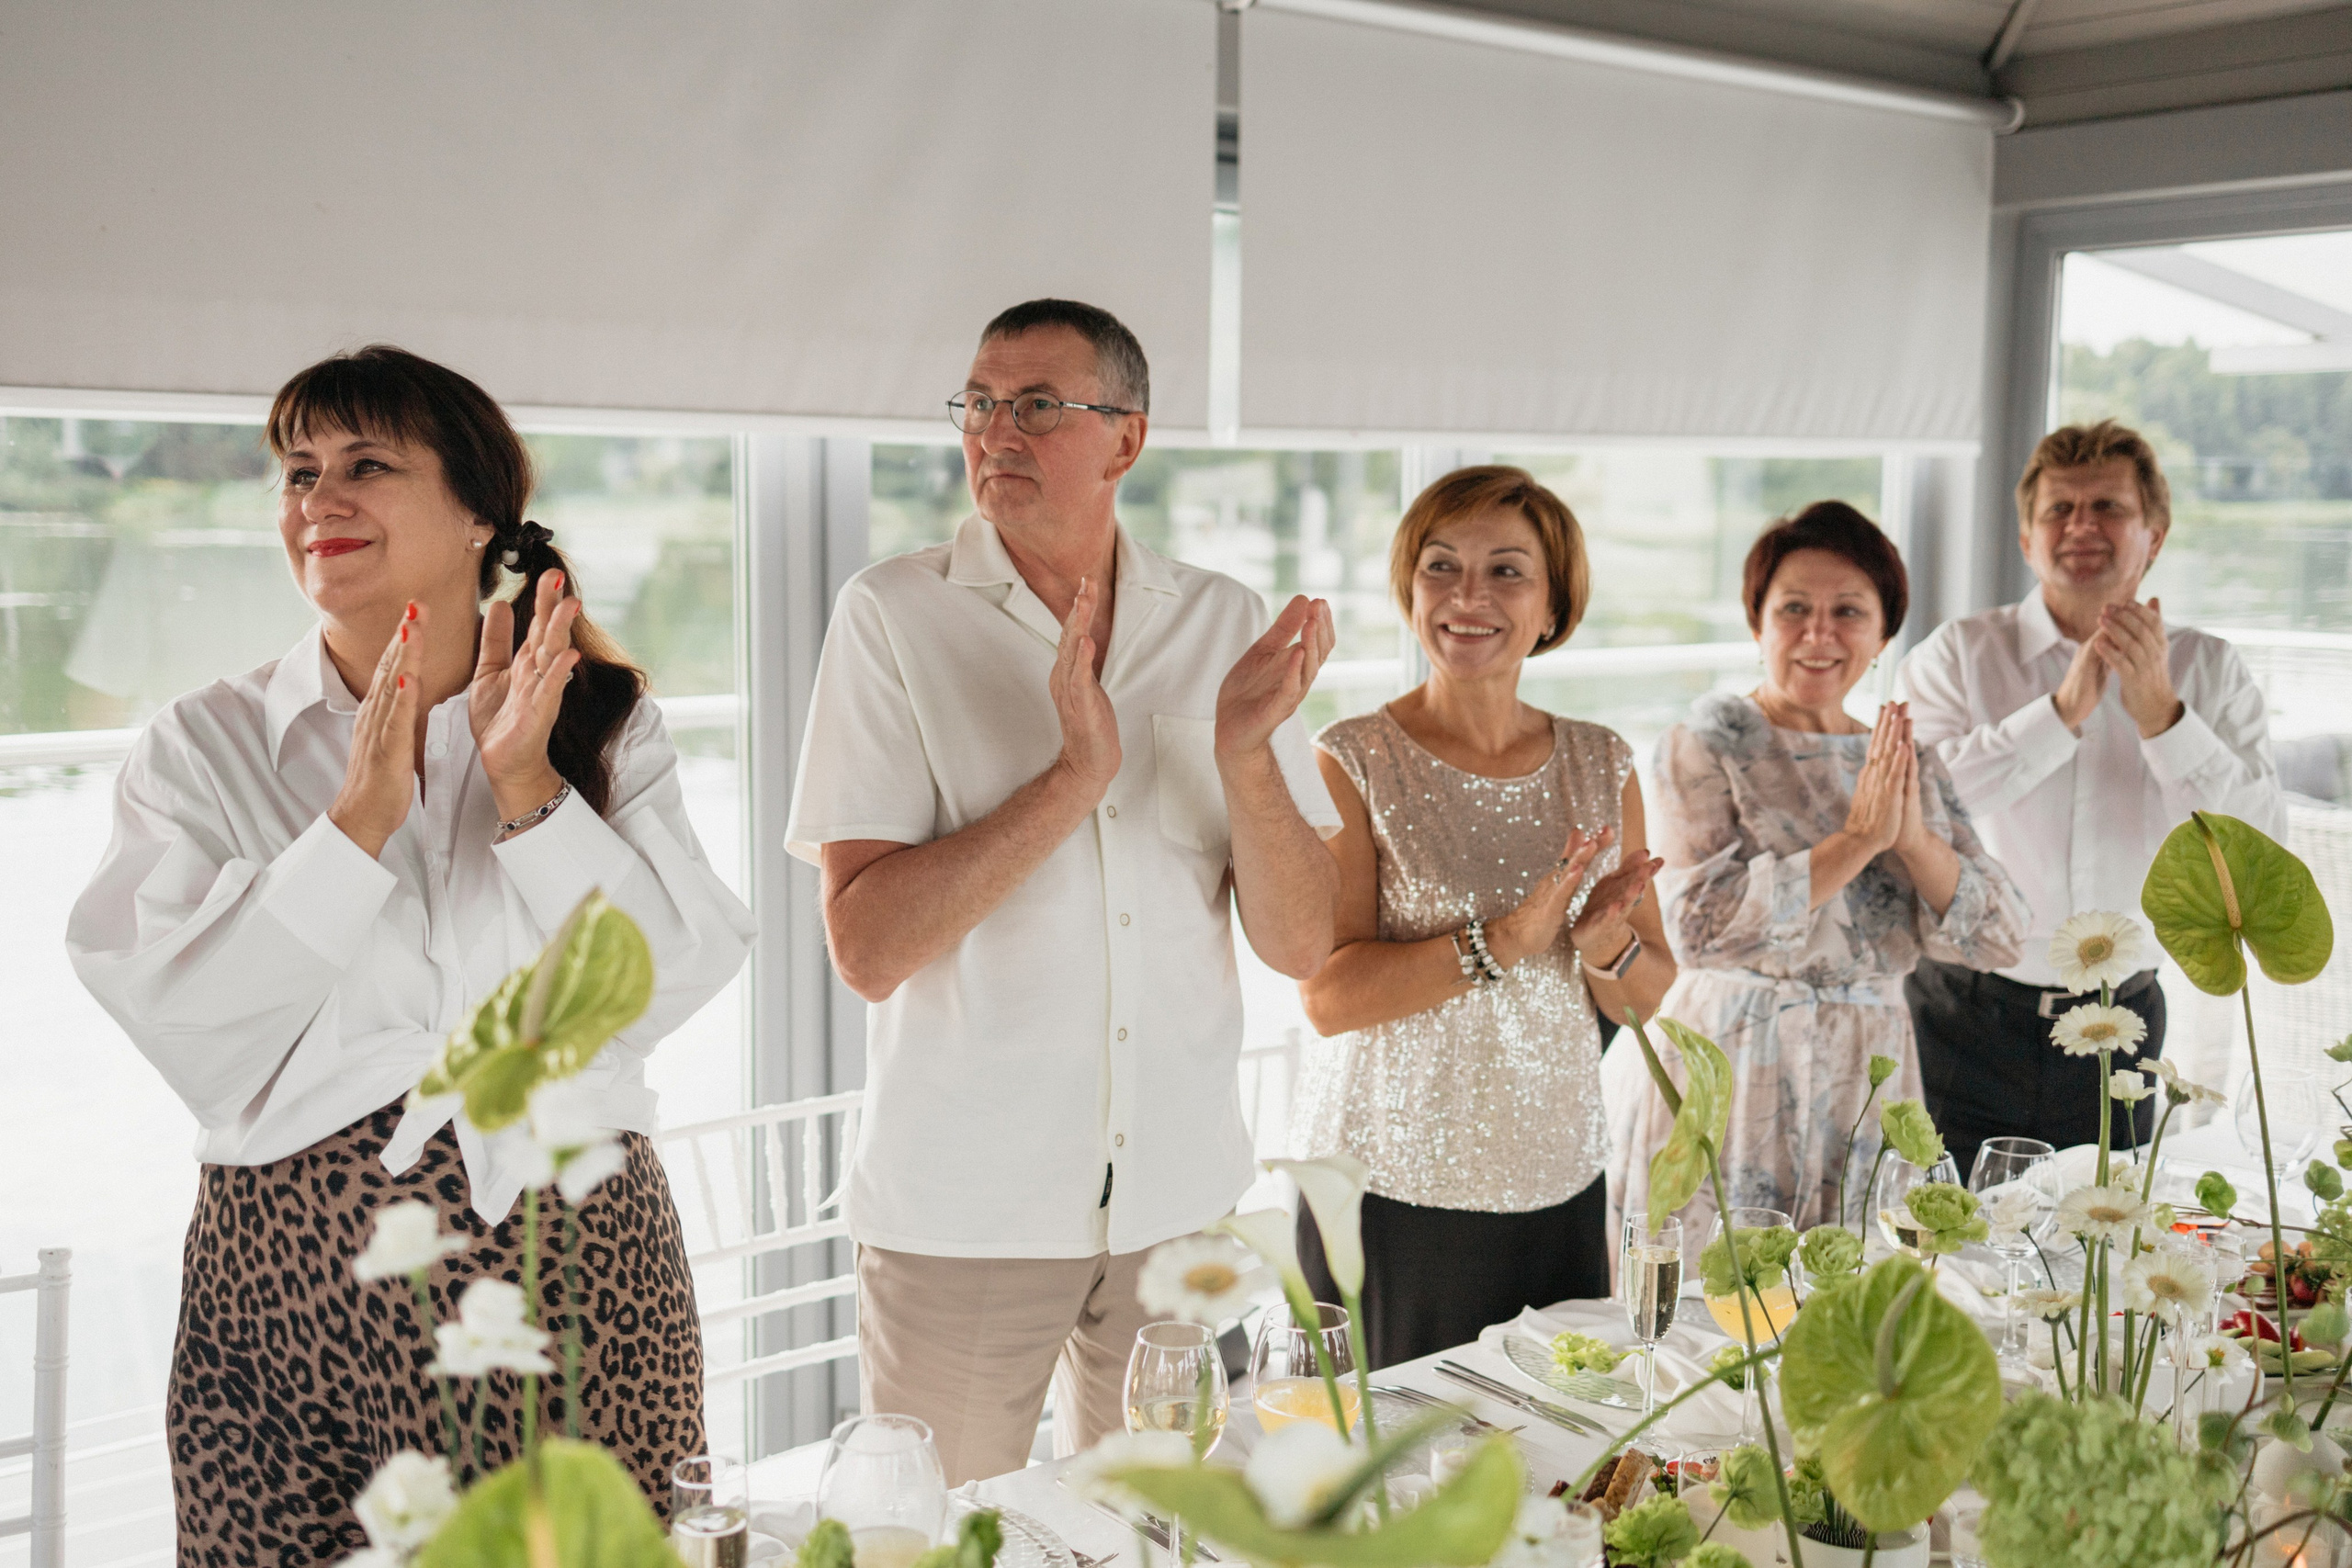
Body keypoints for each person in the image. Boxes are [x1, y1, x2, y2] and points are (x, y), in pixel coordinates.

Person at [67, 345, 754, 1562]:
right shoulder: (206, 745)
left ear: (479, 511)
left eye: (366, 464)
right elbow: (189, 1033)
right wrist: (355, 825)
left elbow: (677, 974)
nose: (317, 500)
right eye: (297, 470)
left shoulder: (604, 720)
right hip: (291, 1291)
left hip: (578, 1273)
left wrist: (530, 787)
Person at [785, 299, 1340, 1483]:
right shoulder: (892, 616)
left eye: (1039, 404)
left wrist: (1247, 755)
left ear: (1126, 439)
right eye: (979, 404)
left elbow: (1299, 943)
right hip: (963, 1215)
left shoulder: (1223, 623)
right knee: (937, 1546)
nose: (997, 432)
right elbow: (868, 947)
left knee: (1162, 1536)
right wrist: (1075, 777)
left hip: (1179, 1204)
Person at [1287, 466, 1674, 1369]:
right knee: (1395, 1482)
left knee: (1558, 1471)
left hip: (1558, 1181)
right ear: (1408, 589)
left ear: (1552, 606)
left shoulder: (1601, 762)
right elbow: (1327, 997)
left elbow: (1645, 998)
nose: (1468, 596)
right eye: (1440, 567)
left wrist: (1605, 943)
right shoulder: (1353, 757)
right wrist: (1500, 942)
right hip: (1387, 1189)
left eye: (1506, 571)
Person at [1603, 502, 2026, 1247]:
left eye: (1848, 611)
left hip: (1871, 1065)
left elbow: (2001, 937)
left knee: (1858, 1311)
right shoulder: (1707, 744)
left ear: (1884, 632)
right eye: (1793, 608)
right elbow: (1699, 927)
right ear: (1757, 623)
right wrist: (1859, 839)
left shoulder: (1904, 758)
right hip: (1734, 1058)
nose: (1818, 633)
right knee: (1719, 1297)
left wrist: (1913, 842)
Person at [1898, 420, 2286, 1179]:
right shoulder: (1957, 654)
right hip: (1963, 1016)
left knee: (2098, 1260)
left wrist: (2164, 721)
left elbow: (2260, 844)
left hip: (2124, 1018)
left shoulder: (2209, 668)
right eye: (2058, 510)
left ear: (2155, 534)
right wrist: (2062, 712)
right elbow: (1923, 808)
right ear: (2025, 539)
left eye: (2107, 506)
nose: (2081, 526)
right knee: (1945, 1245)